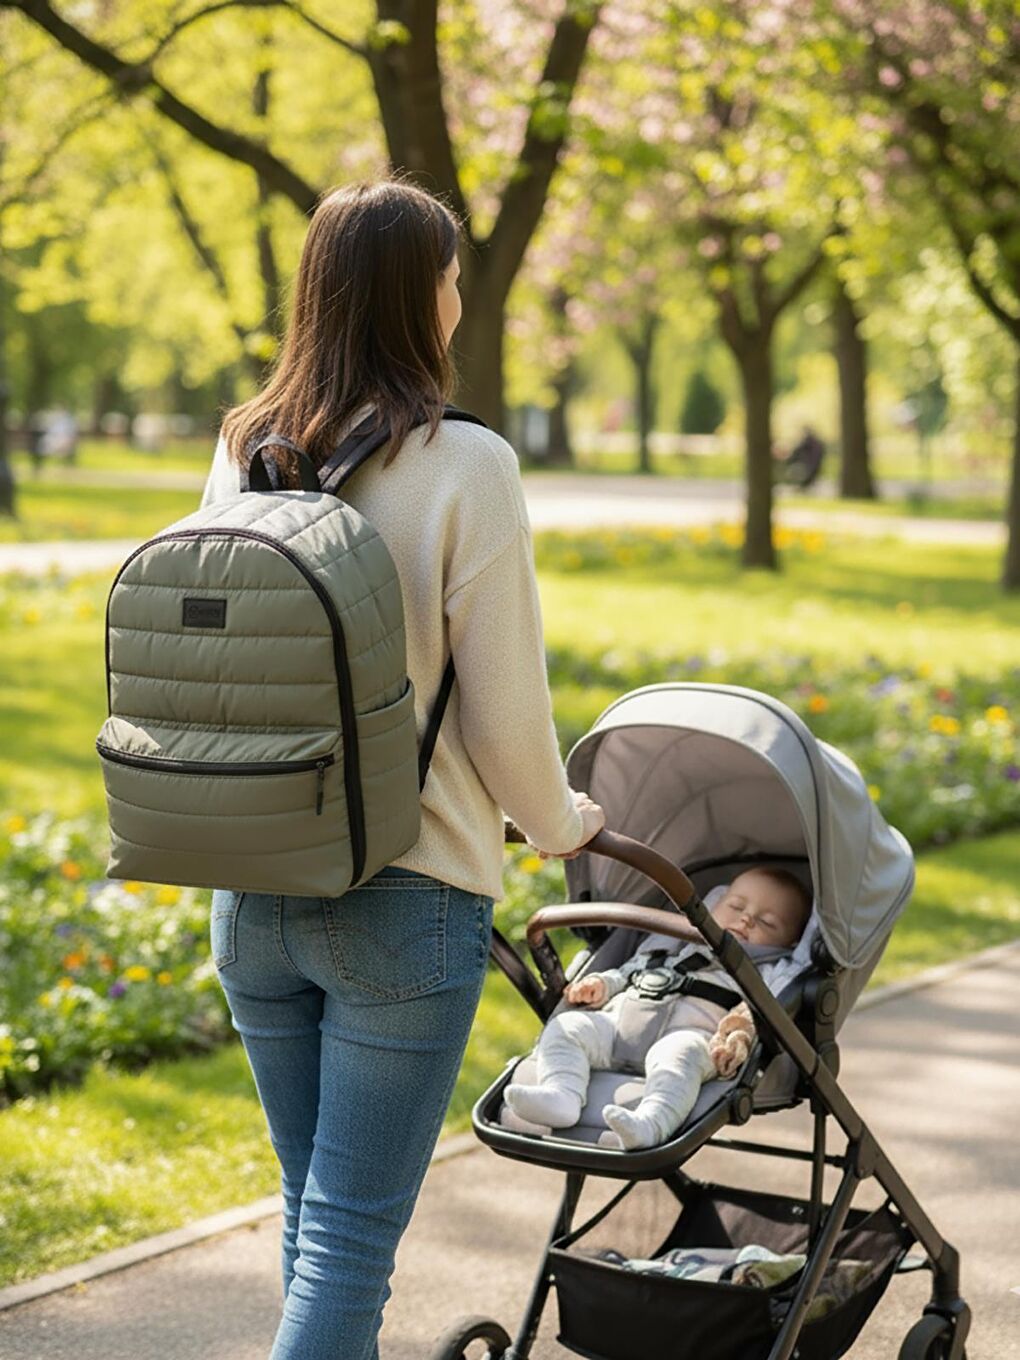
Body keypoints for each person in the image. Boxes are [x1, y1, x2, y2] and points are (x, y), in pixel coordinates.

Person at [198, 178, 605, 1360]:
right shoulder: (462, 464)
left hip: (254, 888)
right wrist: (566, 820)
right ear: (415, 296)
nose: (461, 293)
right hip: (404, 901)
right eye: (449, 273)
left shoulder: (244, 447)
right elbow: (508, 728)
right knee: (347, 1243)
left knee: (318, 1227)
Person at [502, 867, 811, 1150]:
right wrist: (601, 984)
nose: (746, 919)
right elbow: (628, 972)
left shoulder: (770, 970)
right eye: (736, 906)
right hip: (616, 1030)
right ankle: (562, 1094)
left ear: (787, 943)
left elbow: (773, 1005)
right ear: (713, 906)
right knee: (567, 1027)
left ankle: (651, 1123)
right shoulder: (671, 945)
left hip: (690, 1035)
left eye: (767, 922)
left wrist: (739, 1035)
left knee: (682, 1056)